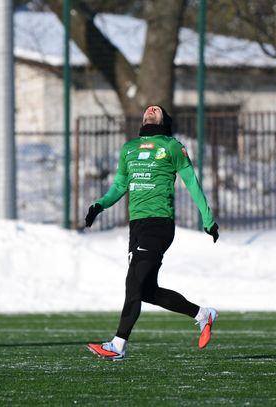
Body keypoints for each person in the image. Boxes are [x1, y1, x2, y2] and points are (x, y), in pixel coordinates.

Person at [84, 105, 220, 360]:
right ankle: (203, 314)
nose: (151, 109)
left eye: (157, 110)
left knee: (133, 283)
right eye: (149, 109)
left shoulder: (171, 146)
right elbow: (119, 185)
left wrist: (207, 217)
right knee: (145, 291)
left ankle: (118, 345)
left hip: (159, 225)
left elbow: (192, 182)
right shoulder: (129, 149)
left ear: (164, 121)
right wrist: (99, 205)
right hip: (136, 227)